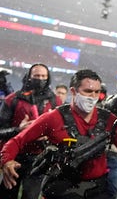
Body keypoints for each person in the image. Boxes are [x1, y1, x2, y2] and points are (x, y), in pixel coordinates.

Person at [0, 69, 117, 199]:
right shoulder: (53, 118)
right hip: (61, 188)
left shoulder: (108, 119)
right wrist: (7, 160)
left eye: (96, 92)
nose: (92, 96)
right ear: (73, 91)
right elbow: (17, 141)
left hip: (97, 189)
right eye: (87, 91)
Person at [0, 63, 63, 199]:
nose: (40, 79)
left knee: (30, 196)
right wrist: (19, 130)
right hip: (14, 155)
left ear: (48, 78)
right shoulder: (13, 99)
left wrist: (48, 135)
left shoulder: (55, 102)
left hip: (39, 159)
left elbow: (62, 131)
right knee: (7, 194)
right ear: (29, 77)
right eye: (36, 76)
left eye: (43, 76)